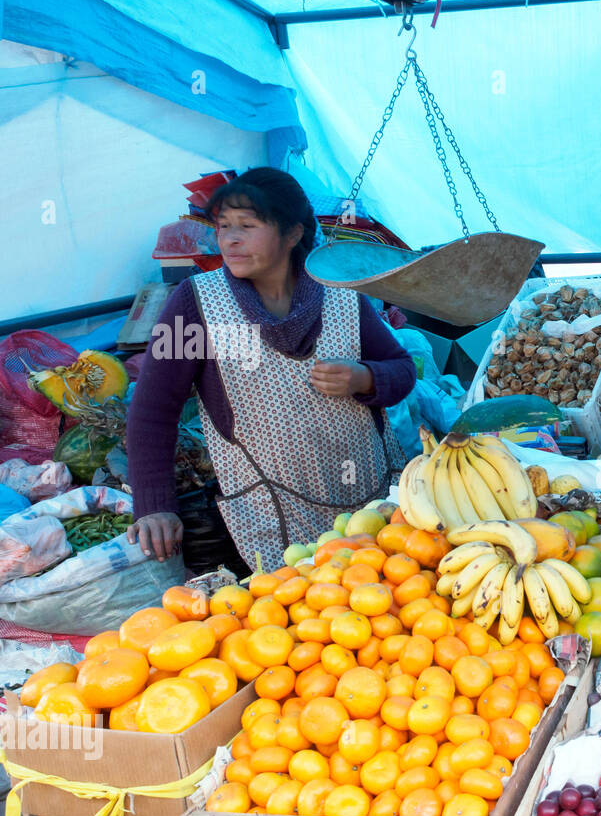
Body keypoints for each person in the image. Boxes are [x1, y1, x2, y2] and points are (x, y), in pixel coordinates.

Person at [126, 167, 416, 570]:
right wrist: (154, 505)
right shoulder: (195, 305)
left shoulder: (340, 294)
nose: (229, 238)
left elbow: (402, 369)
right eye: (223, 226)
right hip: (270, 513)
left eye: (247, 225)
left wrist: (364, 377)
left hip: (370, 503)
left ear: (293, 233)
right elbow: (153, 412)